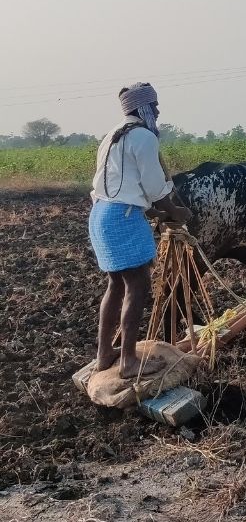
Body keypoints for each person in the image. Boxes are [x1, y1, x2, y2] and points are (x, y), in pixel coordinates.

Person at [89, 82, 191, 378]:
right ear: (143, 108)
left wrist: (154, 212)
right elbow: (154, 187)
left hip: (101, 214)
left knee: (115, 284)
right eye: (154, 106)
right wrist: (175, 212)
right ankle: (129, 361)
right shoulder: (144, 137)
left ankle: (105, 353)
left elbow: (119, 184)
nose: (157, 112)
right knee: (137, 285)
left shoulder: (112, 135)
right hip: (123, 216)